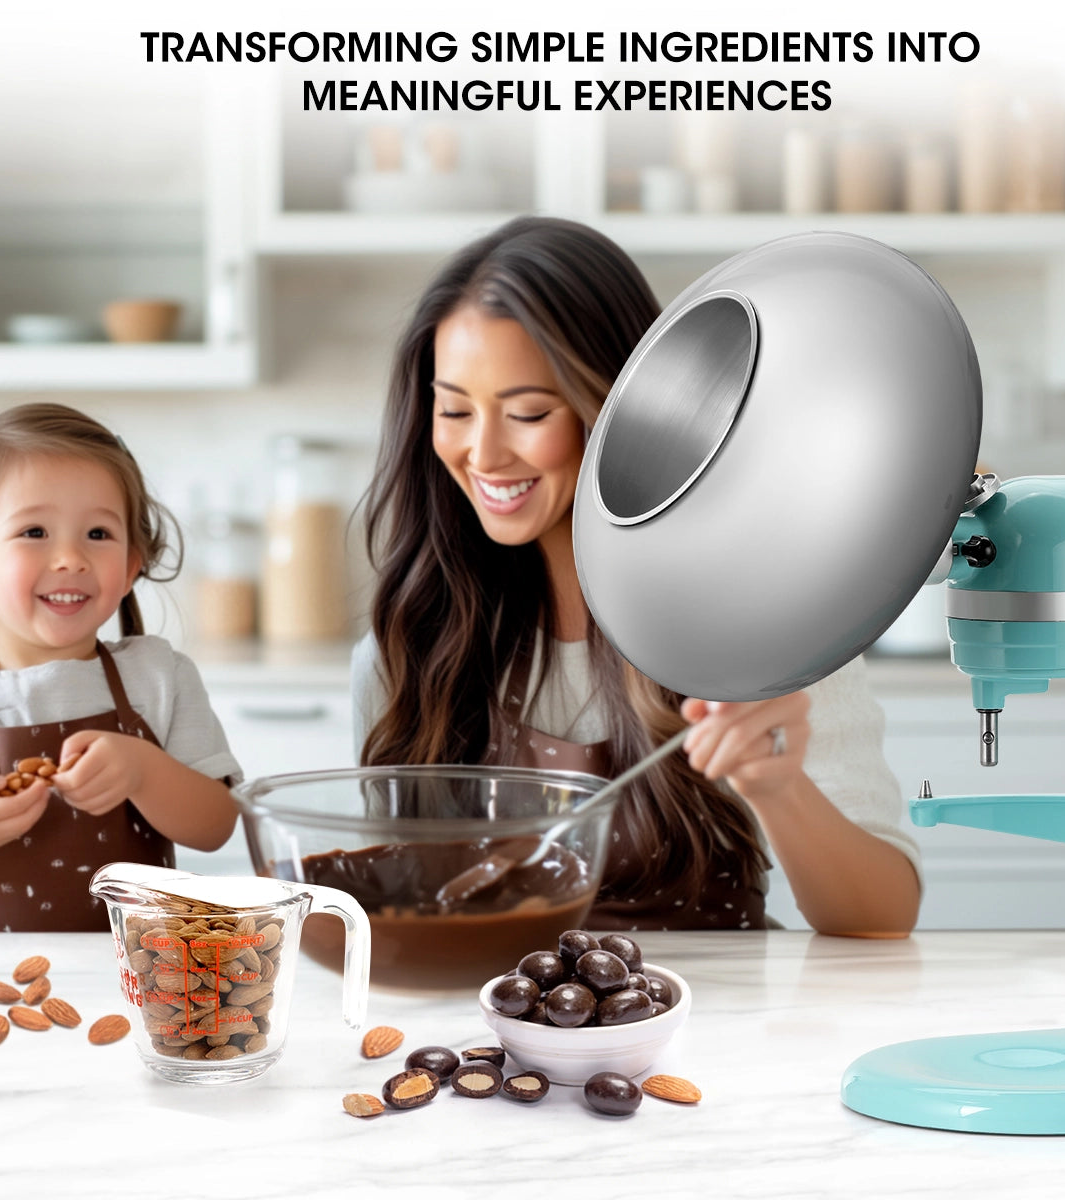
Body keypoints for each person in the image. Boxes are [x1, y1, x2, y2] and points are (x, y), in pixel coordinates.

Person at [352, 216, 921, 936]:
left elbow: (881, 918)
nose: (484, 452)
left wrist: (780, 789)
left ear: (625, 405)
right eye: (455, 409)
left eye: (529, 412)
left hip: (713, 1031)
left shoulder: (766, 619)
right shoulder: (409, 650)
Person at [0, 402, 241, 931]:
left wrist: (144, 771)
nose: (71, 558)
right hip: (0, 989)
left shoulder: (159, 677)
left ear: (128, 569)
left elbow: (217, 826)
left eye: (97, 534)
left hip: (140, 972)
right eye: (34, 532)